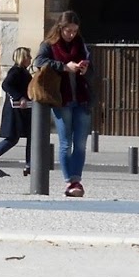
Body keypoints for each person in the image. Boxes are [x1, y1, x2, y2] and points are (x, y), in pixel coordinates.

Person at [35, 11, 92, 197]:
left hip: (81, 98)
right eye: (68, 30)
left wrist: (85, 68)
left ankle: (77, 179)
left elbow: (93, 68)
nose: (71, 34)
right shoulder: (49, 45)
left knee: (81, 143)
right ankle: (71, 182)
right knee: (65, 142)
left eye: (75, 31)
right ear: (60, 28)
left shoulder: (80, 45)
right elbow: (39, 62)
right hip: (62, 99)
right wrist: (64, 67)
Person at [0, 47, 33, 178]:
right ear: (22, 58)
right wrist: (19, 97)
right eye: (28, 56)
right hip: (16, 111)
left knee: (31, 137)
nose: (30, 59)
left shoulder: (24, 72)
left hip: (23, 110)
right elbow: (6, 85)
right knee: (13, 138)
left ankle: (30, 165)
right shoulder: (16, 71)